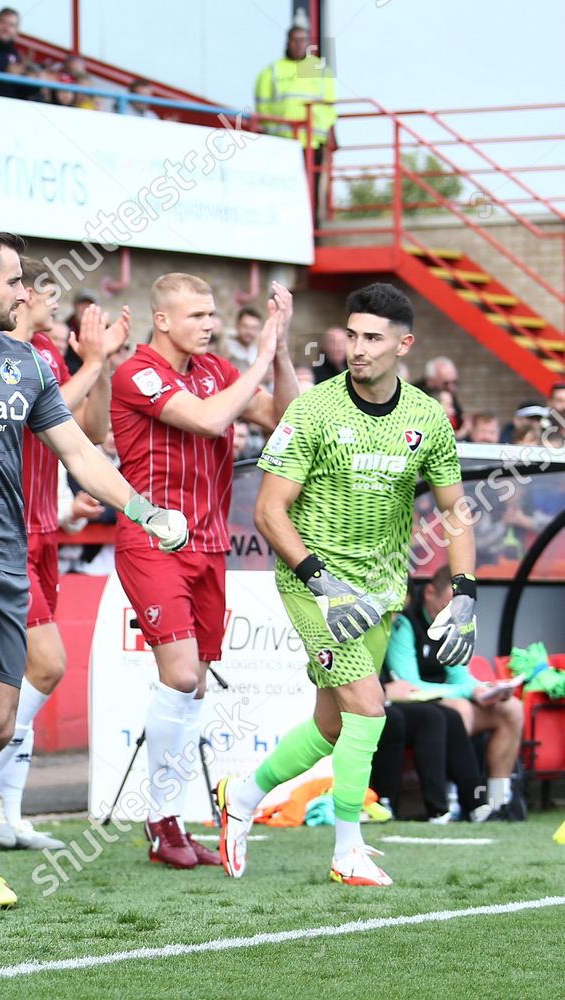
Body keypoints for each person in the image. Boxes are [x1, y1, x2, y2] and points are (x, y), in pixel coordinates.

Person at [0, 229, 187, 912]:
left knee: (0, 724)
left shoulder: (26, 363)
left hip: (9, 560)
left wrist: (144, 511)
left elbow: (81, 456)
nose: (24, 293)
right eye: (13, 283)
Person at [220, 283, 475, 887]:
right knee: (369, 706)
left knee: (335, 727)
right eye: (352, 335)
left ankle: (243, 793)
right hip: (314, 582)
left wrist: (464, 590)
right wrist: (322, 581)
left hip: (382, 589)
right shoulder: (313, 409)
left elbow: (456, 510)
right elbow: (269, 513)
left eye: (373, 339)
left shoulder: (427, 417)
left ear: (403, 344)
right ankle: (347, 850)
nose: (357, 349)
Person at [111, 274, 298, 870]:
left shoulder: (218, 368)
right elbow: (211, 420)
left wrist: (284, 350)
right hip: (152, 539)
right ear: (162, 320)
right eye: (197, 315)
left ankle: (173, 819)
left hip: (211, 546)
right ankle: (163, 818)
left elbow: (286, 417)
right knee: (182, 671)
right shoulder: (136, 372)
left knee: (193, 685)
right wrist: (260, 357)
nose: (209, 324)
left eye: (212, 314)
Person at [0, 255, 119, 852]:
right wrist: (90, 362)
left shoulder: (43, 355)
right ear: (19, 297)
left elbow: (88, 428)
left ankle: (8, 814)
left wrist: (104, 364)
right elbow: (32, 416)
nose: (54, 304)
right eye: (45, 293)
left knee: (19, 678)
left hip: (45, 530)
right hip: (3, 534)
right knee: (46, 665)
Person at [386, 574, 521, 816]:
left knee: (512, 708)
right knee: (460, 708)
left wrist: (484, 689)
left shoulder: (454, 624)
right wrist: (468, 691)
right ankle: (455, 799)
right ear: (429, 593)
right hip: (422, 705)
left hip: (443, 699)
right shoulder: (404, 623)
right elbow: (410, 686)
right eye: (450, 600)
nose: (454, 608)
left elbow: (461, 676)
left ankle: (499, 800)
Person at [255, 21, 336, 215]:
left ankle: (312, 233)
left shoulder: (316, 68)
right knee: (285, 191)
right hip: (283, 143)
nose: (300, 44)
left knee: (311, 192)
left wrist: (327, 134)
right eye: (296, 40)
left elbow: (329, 106)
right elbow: (262, 109)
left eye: (303, 40)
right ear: (288, 42)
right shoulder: (272, 71)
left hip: (312, 142)